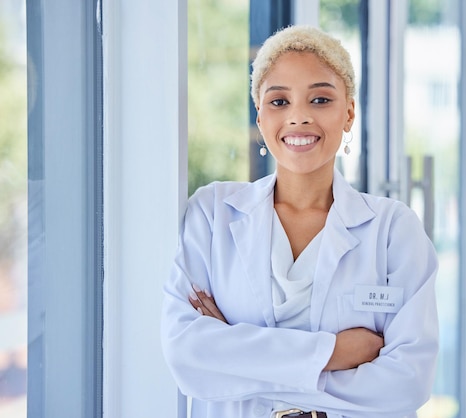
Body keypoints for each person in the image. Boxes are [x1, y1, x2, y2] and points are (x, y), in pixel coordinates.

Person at [161, 25, 439, 418]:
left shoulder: (393, 230)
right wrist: (334, 353)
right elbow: (186, 354)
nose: (299, 117)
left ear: (348, 113)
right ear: (259, 116)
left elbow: (407, 382)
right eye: (279, 102)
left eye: (320, 99)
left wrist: (237, 359)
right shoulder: (212, 214)